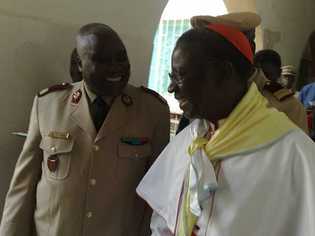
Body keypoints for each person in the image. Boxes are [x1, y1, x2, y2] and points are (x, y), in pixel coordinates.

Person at [137, 23, 315, 236]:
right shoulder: (191, 138)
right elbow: (164, 220)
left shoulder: (294, 154)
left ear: (222, 73)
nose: (171, 88)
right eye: (171, 77)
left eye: (181, 75)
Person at [0, 23, 170, 236]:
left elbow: (160, 196)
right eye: (102, 60)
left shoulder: (152, 111)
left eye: (121, 57)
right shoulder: (48, 104)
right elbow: (22, 188)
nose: (116, 67)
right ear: (79, 64)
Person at [176, 12, 308, 134]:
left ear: (250, 47)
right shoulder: (202, 96)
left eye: (216, 48)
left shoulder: (284, 105)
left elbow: (297, 155)